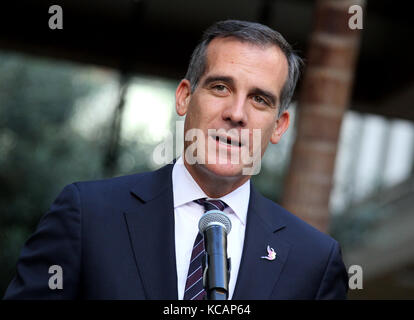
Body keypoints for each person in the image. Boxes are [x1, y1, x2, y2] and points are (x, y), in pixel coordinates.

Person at [3, 20, 348, 300]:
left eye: (259, 99)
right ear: (184, 97)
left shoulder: (314, 261)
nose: (237, 114)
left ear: (279, 126)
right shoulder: (86, 216)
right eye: (221, 88)